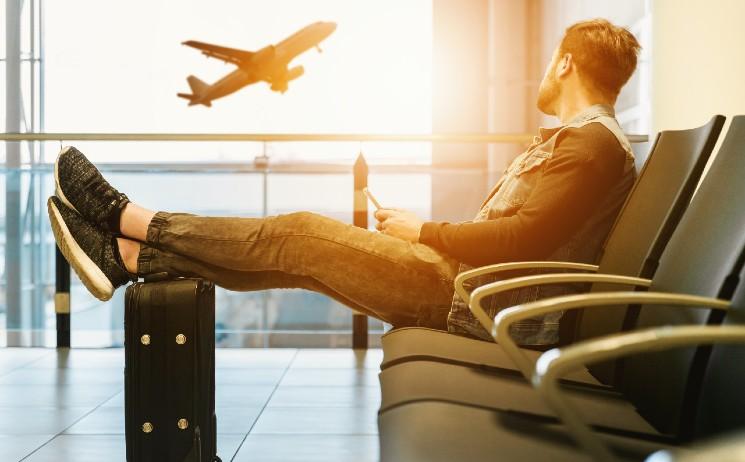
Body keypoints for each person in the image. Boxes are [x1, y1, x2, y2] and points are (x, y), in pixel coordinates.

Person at [48, 18, 641, 346]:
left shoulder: (590, 145)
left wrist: (426, 230)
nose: (543, 74)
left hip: (470, 301)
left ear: (564, 63)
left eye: (548, 63)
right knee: (298, 260)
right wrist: (426, 234)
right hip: (469, 291)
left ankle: (127, 218)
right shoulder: (586, 144)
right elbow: (523, 237)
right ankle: (128, 258)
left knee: (298, 234)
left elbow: (523, 241)